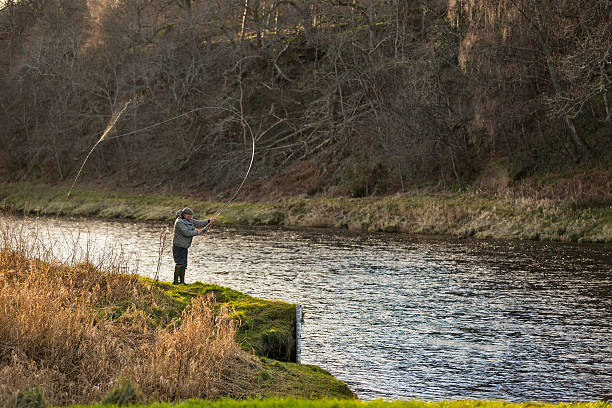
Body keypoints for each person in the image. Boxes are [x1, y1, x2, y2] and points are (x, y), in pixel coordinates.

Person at [172, 207, 216, 285]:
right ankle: (175, 282)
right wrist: (197, 232)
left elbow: (199, 223)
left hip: (185, 246)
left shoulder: (189, 220)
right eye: (188, 215)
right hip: (178, 246)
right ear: (184, 214)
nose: (190, 217)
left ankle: (182, 282)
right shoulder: (179, 222)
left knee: (184, 264)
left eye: (191, 216)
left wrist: (209, 221)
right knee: (179, 263)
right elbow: (187, 233)